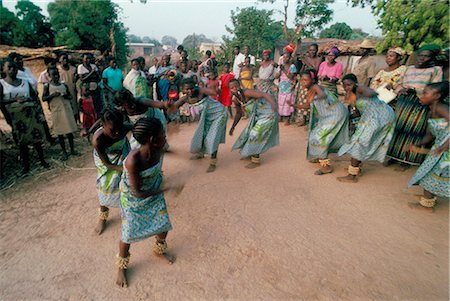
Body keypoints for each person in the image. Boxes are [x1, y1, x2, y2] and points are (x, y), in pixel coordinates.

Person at [116, 117, 179, 288]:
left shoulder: (158, 149)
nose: (165, 138)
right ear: (152, 140)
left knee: (163, 225)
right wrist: (166, 189)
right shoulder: (133, 160)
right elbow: (137, 192)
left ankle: (159, 249)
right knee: (128, 233)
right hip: (133, 199)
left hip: (153, 189)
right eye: (162, 135)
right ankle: (122, 267)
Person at [386, 44, 444, 169]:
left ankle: (406, 160)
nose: (422, 59)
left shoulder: (435, 70)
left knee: (413, 131)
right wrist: (400, 90)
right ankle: (393, 155)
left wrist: (417, 91)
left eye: (426, 56)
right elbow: (398, 83)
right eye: (420, 56)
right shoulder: (409, 68)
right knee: (398, 128)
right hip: (404, 102)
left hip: (420, 103)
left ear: (432, 58)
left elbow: (435, 88)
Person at [336, 74, 395, 182]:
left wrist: (362, 92)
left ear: (355, 83)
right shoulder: (350, 94)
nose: (347, 87)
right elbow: (356, 113)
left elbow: (373, 93)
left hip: (380, 116)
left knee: (358, 141)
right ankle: (356, 167)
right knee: (360, 138)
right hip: (370, 116)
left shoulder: (360, 89)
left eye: (349, 84)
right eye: (345, 85)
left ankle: (352, 175)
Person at [291, 70, 348, 175]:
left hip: (335, 113)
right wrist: (293, 105)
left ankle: (326, 167)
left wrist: (316, 96)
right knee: (316, 135)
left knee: (318, 137)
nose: (303, 82)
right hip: (329, 115)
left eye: (305, 79)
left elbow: (322, 95)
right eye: (301, 80)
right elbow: (307, 106)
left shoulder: (316, 87)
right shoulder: (310, 90)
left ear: (312, 80)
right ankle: (320, 156)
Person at [0, 59, 49, 174]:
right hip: (16, 118)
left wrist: (37, 112)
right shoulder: (2, 84)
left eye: (15, 67)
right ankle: (26, 166)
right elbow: (1, 102)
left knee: (36, 139)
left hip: (30, 116)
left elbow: (34, 97)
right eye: (10, 67)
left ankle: (42, 161)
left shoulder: (25, 82)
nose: (13, 70)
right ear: (4, 69)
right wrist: (14, 101)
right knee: (22, 142)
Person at [407, 82, 449, 210]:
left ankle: (427, 205)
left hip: (446, 149)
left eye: (425, 93)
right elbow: (429, 135)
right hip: (440, 148)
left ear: (437, 96)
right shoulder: (431, 112)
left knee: (431, 174)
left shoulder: (442, 108)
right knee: (429, 173)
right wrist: (416, 144)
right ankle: (428, 201)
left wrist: (444, 146)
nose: (421, 95)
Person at [175, 79, 228, 172]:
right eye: (187, 89)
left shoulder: (201, 91)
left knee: (213, 137)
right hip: (208, 117)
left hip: (219, 114)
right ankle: (201, 153)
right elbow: (173, 107)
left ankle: (213, 162)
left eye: (191, 88)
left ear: (195, 87)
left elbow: (214, 92)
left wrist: (214, 88)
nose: (190, 91)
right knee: (202, 134)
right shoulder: (185, 99)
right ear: (182, 90)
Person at [92, 108, 131, 235]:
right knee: (106, 185)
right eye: (113, 130)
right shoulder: (98, 141)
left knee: (128, 183)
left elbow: (139, 129)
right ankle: (102, 217)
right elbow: (108, 165)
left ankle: (130, 211)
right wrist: (127, 168)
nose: (117, 132)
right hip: (107, 162)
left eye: (120, 127)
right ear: (103, 126)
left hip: (122, 152)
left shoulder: (123, 128)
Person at [229, 78, 279, 168]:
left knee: (255, 134)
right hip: (258, 116)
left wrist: (274, 104)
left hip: (268, 113)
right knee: (247, 134)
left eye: (236, 86)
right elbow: (239, 113)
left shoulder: (247, 92)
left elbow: (264, 94)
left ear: (240, 85)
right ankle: (250, 152)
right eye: (232, 87)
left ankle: (256, 160)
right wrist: (233, 127)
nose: (234, 88)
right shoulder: (236, 99)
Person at [42, 68, 78, 160]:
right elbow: (44, 98)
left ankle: (72, 150)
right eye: (54, 75)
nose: (56, 76)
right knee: (60, 132)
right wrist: (52, 95)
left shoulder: (64, 85)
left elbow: (70, 96)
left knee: (69, 131)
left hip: (66, 109)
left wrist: (65, 95)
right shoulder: (47, 86)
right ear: (49, 76)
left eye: (57, 74)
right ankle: (64, 152)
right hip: (56, 111)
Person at [276, 50, 297, 123]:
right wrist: (279, 70)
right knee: (281, 101)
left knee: (288, 101)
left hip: (289, 86)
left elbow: (291, 77)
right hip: (282, 86)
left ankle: (287, 118)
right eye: (284, 57)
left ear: (290, 58)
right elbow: (276, 76)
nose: (285, 59)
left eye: (287, 57)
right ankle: (280, 116)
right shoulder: (281, 66)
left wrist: (284, 70)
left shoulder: (292, 66)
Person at [57, 53, 79, 123]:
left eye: (66, 58)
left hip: (72, 90)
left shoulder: (73, 69)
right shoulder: (57, 69)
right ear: (59, 60)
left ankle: (75, 122)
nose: (65, 60)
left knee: (74, 106)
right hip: (63, 91)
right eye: (63, 58)